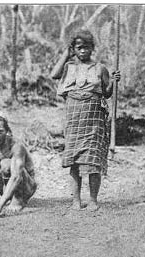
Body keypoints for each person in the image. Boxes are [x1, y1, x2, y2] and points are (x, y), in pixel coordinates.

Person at [50, 29, 120, 211]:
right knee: (74, 160)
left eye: (86, 47)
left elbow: (106, 92)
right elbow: (54, 74)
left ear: (92, 49)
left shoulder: (99, 68)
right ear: (74, 49)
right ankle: (75, 200)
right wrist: (66, 52)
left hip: (94, 117)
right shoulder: (68, 67)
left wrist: (113, 81)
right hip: (74, 117)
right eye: (79, 48)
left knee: (93, 159)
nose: (83, 51)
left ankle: (93, 200)